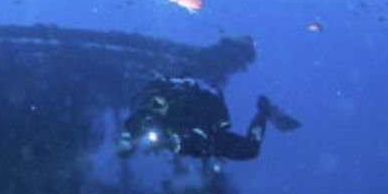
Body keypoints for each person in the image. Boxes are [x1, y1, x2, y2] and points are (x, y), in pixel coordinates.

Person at [118, 76, 299, 161]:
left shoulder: (189, 107)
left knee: (251, 150)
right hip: (184, 142)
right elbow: (132, 124)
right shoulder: (149, 113)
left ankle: (264, 111)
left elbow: (200, 134)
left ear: (170, 99)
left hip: (208, 138)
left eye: (159, 102)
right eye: (151, 104)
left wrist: (183, 142)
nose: (155, 108)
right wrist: (126, 143)